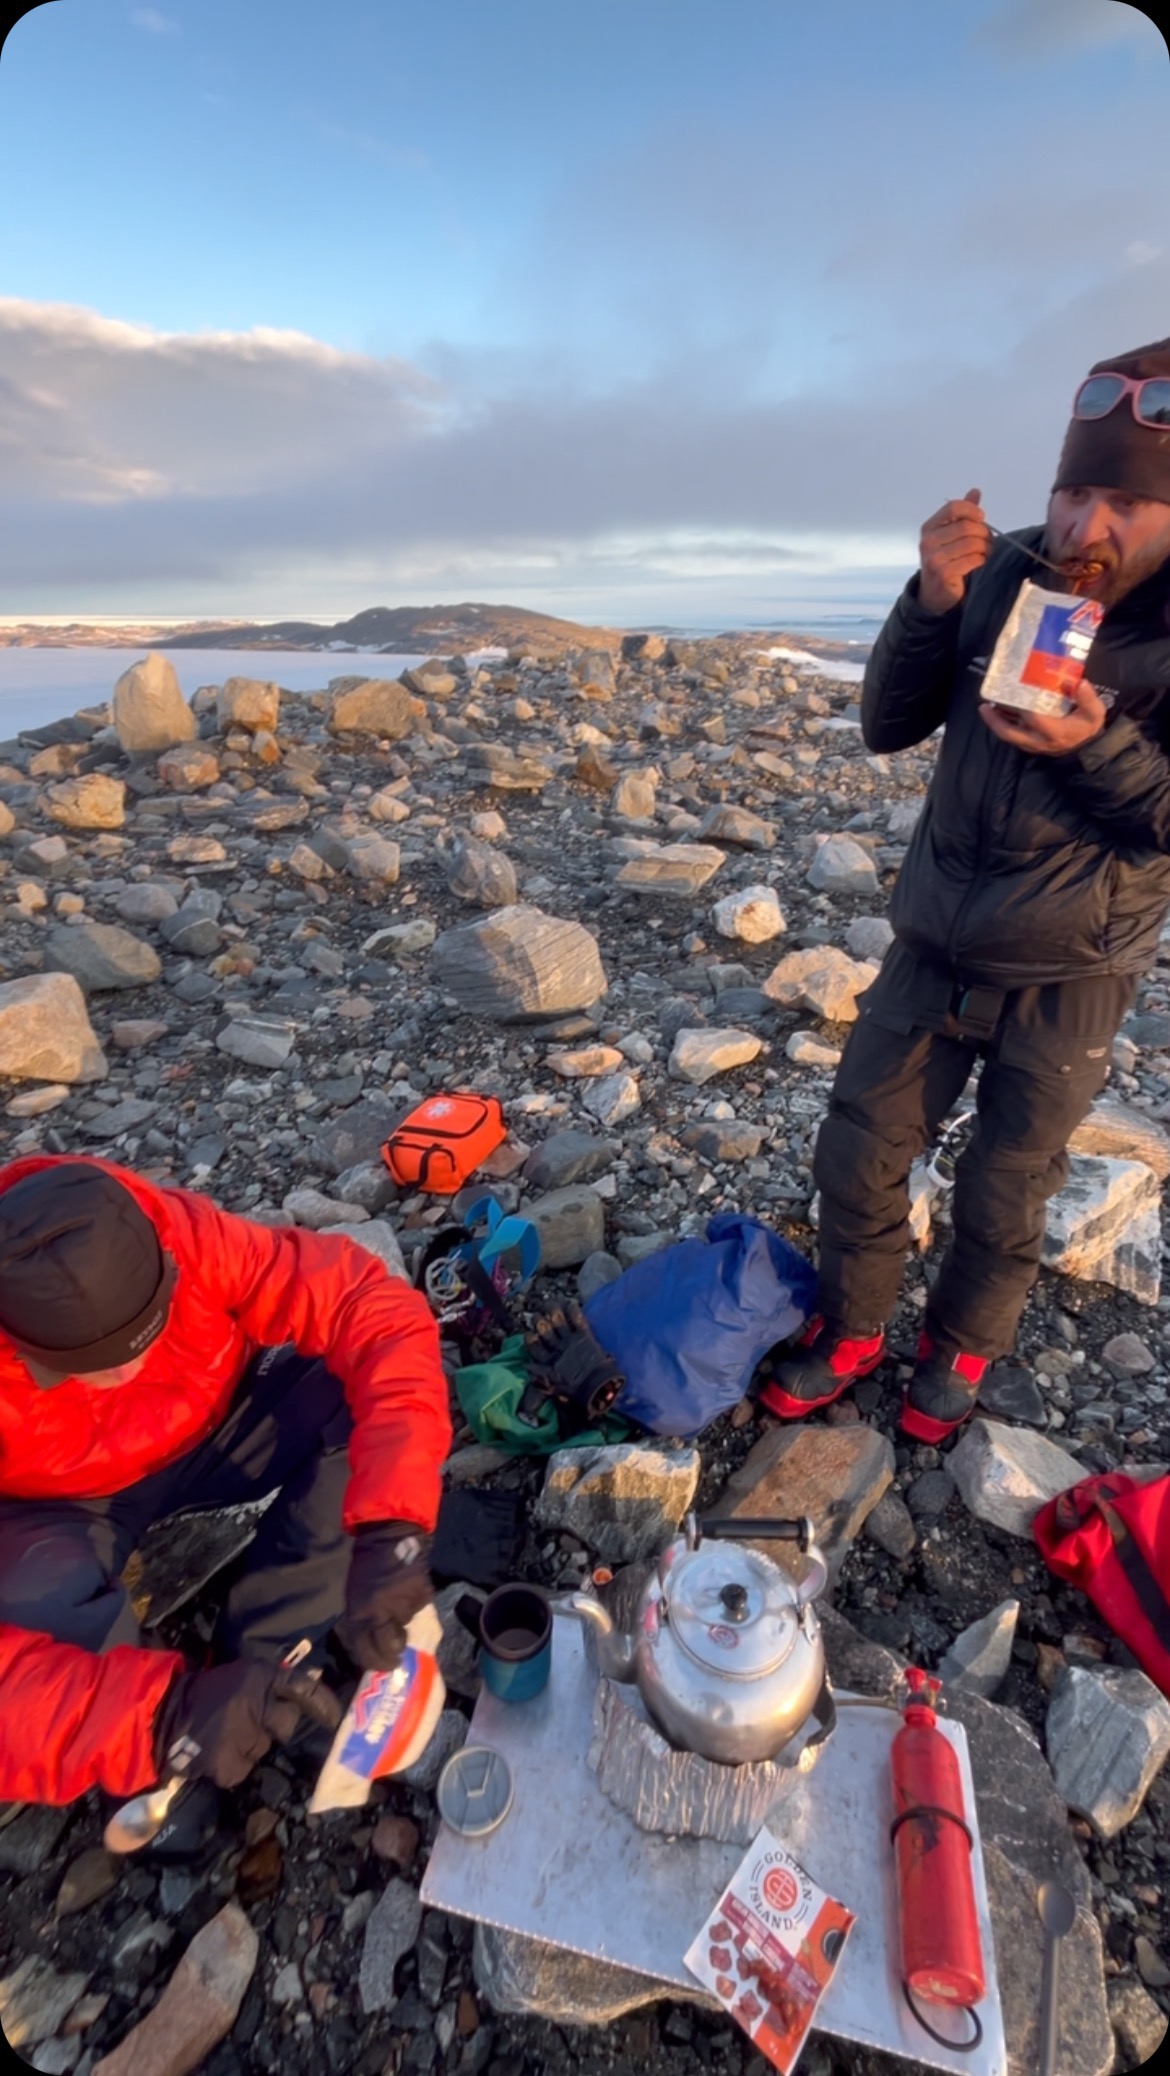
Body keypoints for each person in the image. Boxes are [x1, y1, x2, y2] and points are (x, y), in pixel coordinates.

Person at [763, 338, 1170, 1442]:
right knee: (857, 1148)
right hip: (935, 939)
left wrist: (1093, 745)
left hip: (1072, 970)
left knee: (1009, 1185)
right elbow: (887, 723)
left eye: (1127, 503)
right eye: (1077, 490)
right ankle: (851, 1326)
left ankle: (959, 1353)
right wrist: (934, 598)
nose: (1090, 527)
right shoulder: (1008, 572)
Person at [0, 1153, 451, 1827]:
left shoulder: (178, 1232)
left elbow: (371, 1309)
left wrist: (396, 1530)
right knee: (31, 1594)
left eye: (147, 1336)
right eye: (92, 1365)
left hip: (221, 1426)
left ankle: (274, 1666)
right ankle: (171, 1743)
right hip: (58, 1501)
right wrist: (156, 1724)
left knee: (352, 1404)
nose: (132, 1370)